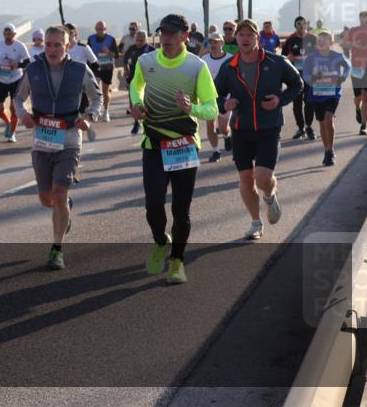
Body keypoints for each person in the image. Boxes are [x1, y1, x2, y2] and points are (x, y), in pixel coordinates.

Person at [129, 14, 219, 284]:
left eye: (171, 33)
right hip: (154, 144)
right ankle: (160, 240)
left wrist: (191, 108)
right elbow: (136, 86)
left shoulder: (196, 66)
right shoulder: (146, 61)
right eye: (162, 32)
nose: (165, 37)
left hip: (183, 145)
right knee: (153, 204)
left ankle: (177, 260)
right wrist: (136, 104)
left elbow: (212, 108)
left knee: (181, 211)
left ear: (184, 37)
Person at [15, 26, 102, 270]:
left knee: (60, 192)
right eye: (49, 45)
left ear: (68, 46)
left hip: (70, 137)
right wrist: (23, 115)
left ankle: (57, 249)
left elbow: (97, 98)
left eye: (57, 45)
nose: (52, 49)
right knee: (47, 199)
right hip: (42, 138)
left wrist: (89, 116)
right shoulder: (33, 69)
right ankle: (64, 211)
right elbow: (18, 98)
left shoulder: (79, 69)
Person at [215, 19, 302, 241]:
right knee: (246, 179)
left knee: (262, 177)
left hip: (268, 127)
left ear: (257, 38)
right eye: (241, 35)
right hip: (241, 129)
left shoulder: (276, 62)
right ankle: (255, 222)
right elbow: (214, 95)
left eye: (249, 35)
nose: (245, 38)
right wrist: (224, 104)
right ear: (236, 38)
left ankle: (270, 195)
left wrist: (279, 100)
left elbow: (297, 84)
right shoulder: (229, 67)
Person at [302, 32, 352, 166]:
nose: (322, 42)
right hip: (317, 94)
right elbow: (306, 74)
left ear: (331, 42)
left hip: (333, 93)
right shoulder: (311, 58)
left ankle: (330, 151)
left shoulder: (338, 56)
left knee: (328, 119)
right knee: (322, 123)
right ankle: (326, 150)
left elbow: (348, 67)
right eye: (319, 40)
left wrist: (341, 78)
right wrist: (313, 80)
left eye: (325, 39)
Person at [0, 23, 31, 142]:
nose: (8, 35)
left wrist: (17, 65)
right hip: (0, 79)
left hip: (15, 79)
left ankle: (12, 133)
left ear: (14, 34)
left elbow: (28, 62)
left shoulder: (20, 46)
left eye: (10, 33)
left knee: (14, 108)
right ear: (3, 34)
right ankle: (8, 122)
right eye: (6, 33)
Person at [282, 16, 318, 140]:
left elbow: (321, 54)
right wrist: (288, 58)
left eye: (303, 24)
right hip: (295, 77)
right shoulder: (290, 40)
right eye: (298, 24)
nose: (301, 26)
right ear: (295, 26)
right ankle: (301, 128)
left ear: (306, 25)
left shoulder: (313, 38)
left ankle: (309, 126)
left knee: (309, 102)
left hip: (310, 75)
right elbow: (283, 57)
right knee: (297, 104)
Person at [65, 23, 100, 142]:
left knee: (81, 113)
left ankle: (86, 128)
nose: (68, 34)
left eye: (70, 31)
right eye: (65, 31)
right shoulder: (61, 49)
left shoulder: (83, 48)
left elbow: (95, 64)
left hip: (82, 85)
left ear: (75, 33)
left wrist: (92, 80)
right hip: (65, 86)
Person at [203, 33, 233, 162]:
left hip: (226, 97)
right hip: (209, 97)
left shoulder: (231, 59)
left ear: (222, 43)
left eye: (216, 42)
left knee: (222, 128)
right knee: (210, 125)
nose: (213, 45)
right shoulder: (204, 59)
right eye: (211, 42)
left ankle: (227, 136)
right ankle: (216, 151)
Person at [343, 10, 367, 136]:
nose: (363, 21)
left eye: (366, 19)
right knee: (358, 97)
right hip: (356, 67)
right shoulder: (354, 31)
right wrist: (353, 44)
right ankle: (357, 108)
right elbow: (342, 43)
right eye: (361, 19)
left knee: (366, 96)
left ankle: (364, 126)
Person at [122, 30, 153, 134]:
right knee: (133, 103)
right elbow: (125, 60)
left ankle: (148, 123)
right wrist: (126, 71)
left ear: (146, 40)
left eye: (141, 40)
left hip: (147, 80)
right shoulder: (132, 49)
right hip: (134, 80)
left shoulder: (151, 50)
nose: (139, 42)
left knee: (146, 103)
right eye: (137, 40)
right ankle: (136, 122)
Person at [87, 21, 119, 122]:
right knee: (93, 91)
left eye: (103, 29)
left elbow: (117, 55)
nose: (100, 31)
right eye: (98, 29)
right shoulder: (91, 38)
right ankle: (95, 111)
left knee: (105, 91)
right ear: (95, 29)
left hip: (107, 67)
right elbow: (88, 52)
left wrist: (108, 52)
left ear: (106, 29)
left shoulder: (111, 39)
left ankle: (106, 111)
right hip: (95, 66)